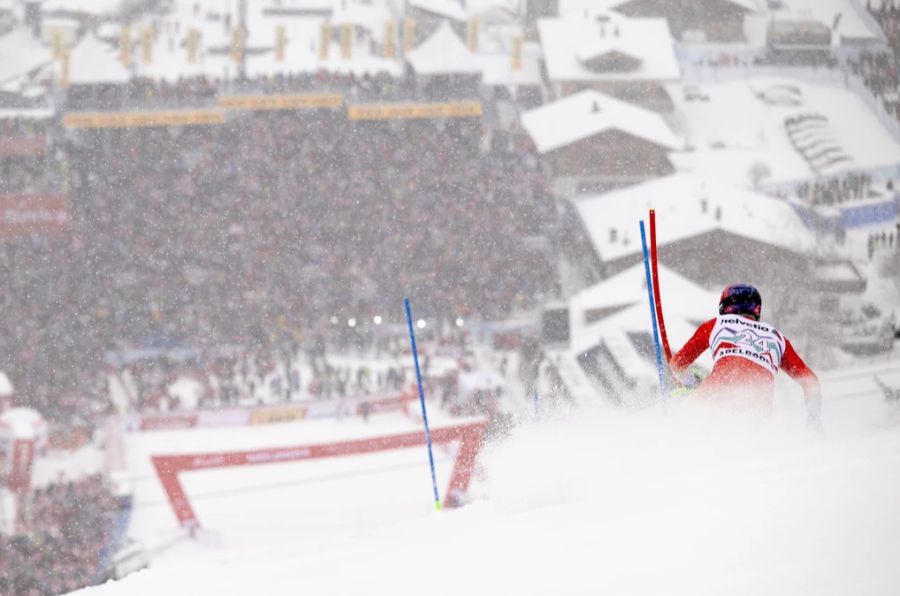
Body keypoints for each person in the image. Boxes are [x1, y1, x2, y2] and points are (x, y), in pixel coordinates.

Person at [670, 284, 822, 427]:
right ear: (757, 309)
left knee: (679, 427)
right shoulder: (777, 337)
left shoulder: (717, 324)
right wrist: (814, 424)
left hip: (714, 397)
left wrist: (691, 383)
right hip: (757, 411)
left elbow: (677, 364)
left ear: (724, 306)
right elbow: (811, 382)